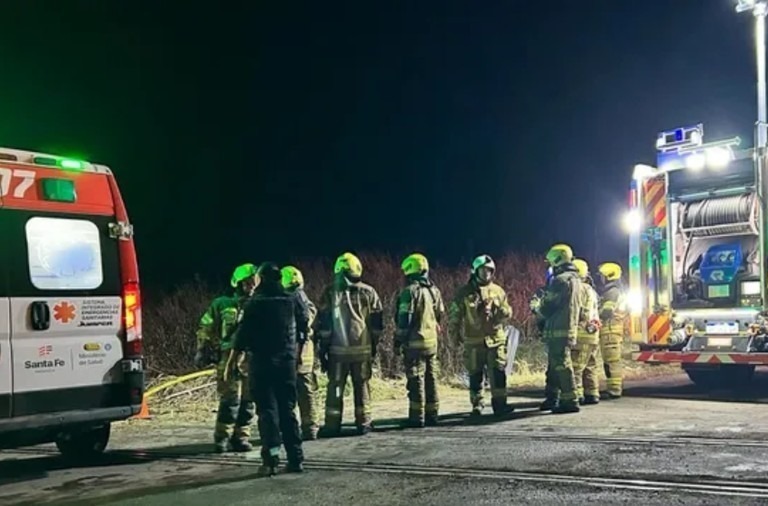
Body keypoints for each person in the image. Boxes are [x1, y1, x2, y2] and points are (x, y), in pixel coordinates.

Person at [227, 262, 311, 476]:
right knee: (288, 411)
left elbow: (242, 336)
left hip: (262, 364)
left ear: (261, 279)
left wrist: (231, 362)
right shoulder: (291, 301)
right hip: (287, 365)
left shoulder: (254, 303)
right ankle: (296, 458)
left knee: (267, 412)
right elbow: (304, 327)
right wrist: (298, 354)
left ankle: (271, 459)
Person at [317, 252, 384, 436]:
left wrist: (322, 349)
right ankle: (364, 423)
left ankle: (332, 425)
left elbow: (325, 325)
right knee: (362, 386)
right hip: (362, 351)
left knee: (336, 387)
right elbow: (377, 324)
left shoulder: (329, 292)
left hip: (338, 353)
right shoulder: (369, 292)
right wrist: (373, 345)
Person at [195, 263, 258, 453]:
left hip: (251, 359)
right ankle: (222, 438)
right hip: (228, 358)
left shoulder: (259, 304)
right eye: (247, 282)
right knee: (230, 401)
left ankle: (241, 437)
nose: (251, 286)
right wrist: (202, 349)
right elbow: (205, 326)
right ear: (237, 284)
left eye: (254, 282)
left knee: (248, 402)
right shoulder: (222, 304)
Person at [448, 254, 513, 417]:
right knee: (475, 374)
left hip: (495, 340)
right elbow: (455, 316)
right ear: (475, 271)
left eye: (489, 270)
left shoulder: (498, 291)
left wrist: (499, 309)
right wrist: (454, 336)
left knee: (498, 373)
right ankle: (477, 405)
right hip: (474, 341)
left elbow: (508, 312)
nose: (486, 273)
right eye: (483, 270)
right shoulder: (464, 292)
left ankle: (500, 404)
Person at [394, 253, 446, 428]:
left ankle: (417, 417)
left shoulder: (409, 292)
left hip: (415, 344)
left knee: (416, 380)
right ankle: (433, 414)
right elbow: (440, 315)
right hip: (432, 344)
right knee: (431, 379)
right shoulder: (434, 290)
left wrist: (398, 341)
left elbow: (404, 320)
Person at [533, 244, 582, 414]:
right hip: (568, 328)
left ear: (556, 260)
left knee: (561, 364)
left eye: (551, 262)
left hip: (558, 329)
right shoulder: (575, 280)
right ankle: (552, 397)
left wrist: (536, 307)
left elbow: (547, 307)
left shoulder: (560, 281)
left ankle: (570, 400)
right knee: (554, 365)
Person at [280, 265, 320, 440]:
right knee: (306, 392)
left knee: (286, 394)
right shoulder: (306, 302)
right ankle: (310, 427)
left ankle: (288, 429)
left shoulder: (283, 302)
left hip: (288, 355)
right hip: (305, 355)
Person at [571, 258, 601, 406]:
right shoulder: (591, 290)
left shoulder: (578, 289)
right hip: (593, 334)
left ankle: (577, 395)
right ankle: (592, 393)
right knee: (590, 365)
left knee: (575, 366)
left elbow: (578, 312)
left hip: (581, 333)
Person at [597, 262, 627, 400]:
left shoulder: (612, 292)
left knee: (611, 361)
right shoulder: (616, 291)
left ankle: (614, 389)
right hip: (612, 329)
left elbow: (606, 312)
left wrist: (594, 314)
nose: (601, 279)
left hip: (610, 330)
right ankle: (613, 388)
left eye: (602, 276)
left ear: (608, 276)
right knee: (610, 361)